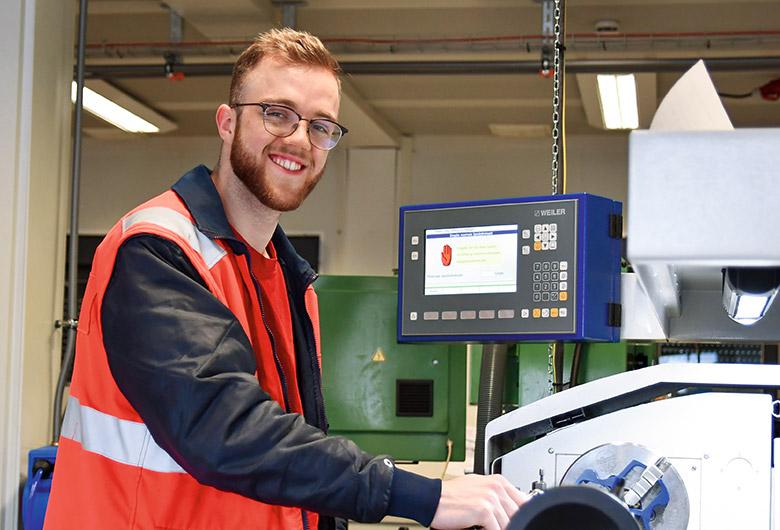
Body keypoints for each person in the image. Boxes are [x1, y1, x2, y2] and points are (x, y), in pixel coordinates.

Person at [44, 28, 528, 530]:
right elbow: (223, 426)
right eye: (278, 113)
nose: (299, 139)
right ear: (227, 122)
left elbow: (289, 458)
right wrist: (421, 498)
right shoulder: (156, 250)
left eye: (321, 126)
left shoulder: (287, 280)